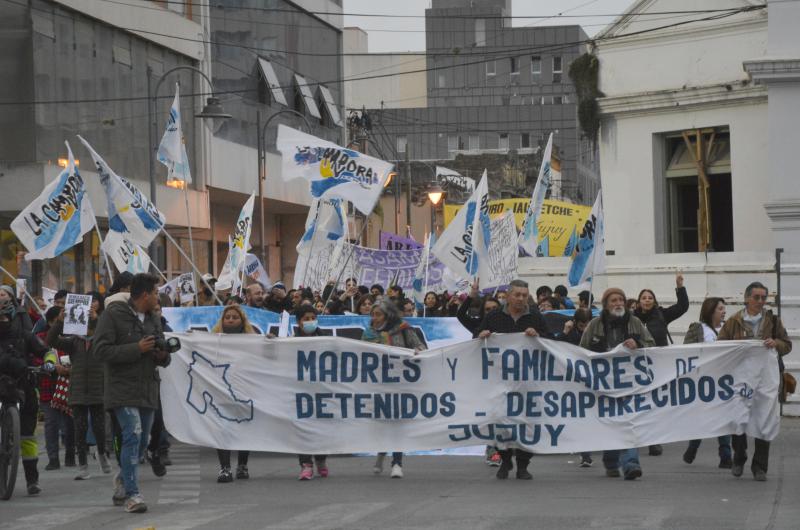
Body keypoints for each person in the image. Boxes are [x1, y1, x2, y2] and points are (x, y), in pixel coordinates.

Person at [92, 273, 171, 513]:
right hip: (121, 388)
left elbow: (163, 353)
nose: (158, 298)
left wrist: (161, 355)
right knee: (133, 433)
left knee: (142, 441)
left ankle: (124, 479)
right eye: (156, 293)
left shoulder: (153, 319)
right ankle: (134, 495)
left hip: (147, 388)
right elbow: (101, 351)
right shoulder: (112, 315)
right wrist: (135, 348)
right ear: (145, 294)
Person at [477, 279, 551, 480]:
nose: (520, 299)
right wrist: (481, 335)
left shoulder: (535, 317)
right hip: (499, 381)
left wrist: (538, 335)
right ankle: (505, 459)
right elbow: (477, 341)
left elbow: (551, 340)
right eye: (517, 295)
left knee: (527, 423)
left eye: (524, 295)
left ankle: (523, 465)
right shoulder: (493, 317)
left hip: (528, 381)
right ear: (508, 296)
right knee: (500, 421)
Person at [718, 282, 792, 482]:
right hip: (740, 381)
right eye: (756, 297)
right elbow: (720, 346)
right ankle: (739, 458)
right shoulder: (734, 321)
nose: (760, 301)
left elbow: (787, 345)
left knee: (764, 419)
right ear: (747, 298)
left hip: (766, 380)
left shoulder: (773, 321)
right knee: (739, 418)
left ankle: (760, 466)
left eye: (763, 298)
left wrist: (776, 343)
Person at [580, 288, 655, 480]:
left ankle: (631, 464)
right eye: (614, 300)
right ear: (606, 305)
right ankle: (611, 461)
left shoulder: (635, 323)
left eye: (621, 299)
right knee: (611, 423)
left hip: (630, 385)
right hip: (603, 386)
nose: (618, 303)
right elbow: (581, 352)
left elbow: (652, 346)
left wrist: (638, 345)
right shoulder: (595, 325)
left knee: (629, 423)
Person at [47, 297, 111, 480]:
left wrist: (97, 318)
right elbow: (50, 340)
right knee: (79, 428)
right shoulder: (74, 342)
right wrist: (60, 322)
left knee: (99, 427)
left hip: (99, 389)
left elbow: (107, 333)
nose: (88, 328)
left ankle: (102, 455)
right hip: (78, 390)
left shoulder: (101, 340)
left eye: (91, 324)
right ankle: (82, 465)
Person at [361, 299, 424, 479]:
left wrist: (417, 351)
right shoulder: (368, 333)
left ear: (387, 315)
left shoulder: (403, 329)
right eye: (372, 314)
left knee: (398, 423)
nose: (375, 318)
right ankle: (381, 453)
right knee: (382, 423)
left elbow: (420, 346)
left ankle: (397, 462)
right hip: (379, 384)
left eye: (378, 314)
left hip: (400, 383)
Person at [0, 288, 52, 495]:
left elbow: (46, 351)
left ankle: (32, 479)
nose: (2, 321)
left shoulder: (25, 336)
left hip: (24, 387)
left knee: (28, 436)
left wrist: (48, 363)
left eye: (5, 316)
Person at [634, 272, 689, 456]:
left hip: (658, 365)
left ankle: (654, 440)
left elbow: (683, 307)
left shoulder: (662, 314)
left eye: (650, 298)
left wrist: (680, 287)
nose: (647, 300)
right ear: (639, 301)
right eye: (644, 298)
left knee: (655, 404)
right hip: (636, 367)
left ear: (654, 301)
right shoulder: (631, 318)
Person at [681, 297, 732, 469]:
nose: (724, 311)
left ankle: (726, 455)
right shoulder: (697, 329)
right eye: (720, 308)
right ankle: (693, 447)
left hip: (723, 380)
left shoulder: (729, 329)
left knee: (723, 417)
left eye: (724, 308)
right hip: (703, 380)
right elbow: (686, 351)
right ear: (710, 311)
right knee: (702, 417)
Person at [210, 305, 254, 483]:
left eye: (234, 317)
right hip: (222, 391)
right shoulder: (213, 340)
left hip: (244, 390)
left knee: (244, 428)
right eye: (227, 317)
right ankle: (225, 467)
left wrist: (270, 341)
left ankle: (242, 465)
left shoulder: (253, 341)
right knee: (223, 430)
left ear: (242, 321)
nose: (230, 320)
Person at [290, 304, 330, 480]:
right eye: (306, 318)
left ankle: (321, 459)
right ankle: (306, 464)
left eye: (313, 317)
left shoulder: (327, 340)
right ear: (299, 322)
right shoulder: (290, 341)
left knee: (321, 428)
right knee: (302, 428)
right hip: (300, 391)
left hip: (321, 390)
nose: (310, 321)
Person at [557, 307, 594, 468]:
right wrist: (565, 332)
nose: (585, 328)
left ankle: (586, 453)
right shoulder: (570, 334)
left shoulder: (596, 332)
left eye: (587, 324)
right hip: (572, 381)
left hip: (589, 380)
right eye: (581, 324)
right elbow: (555, 347)